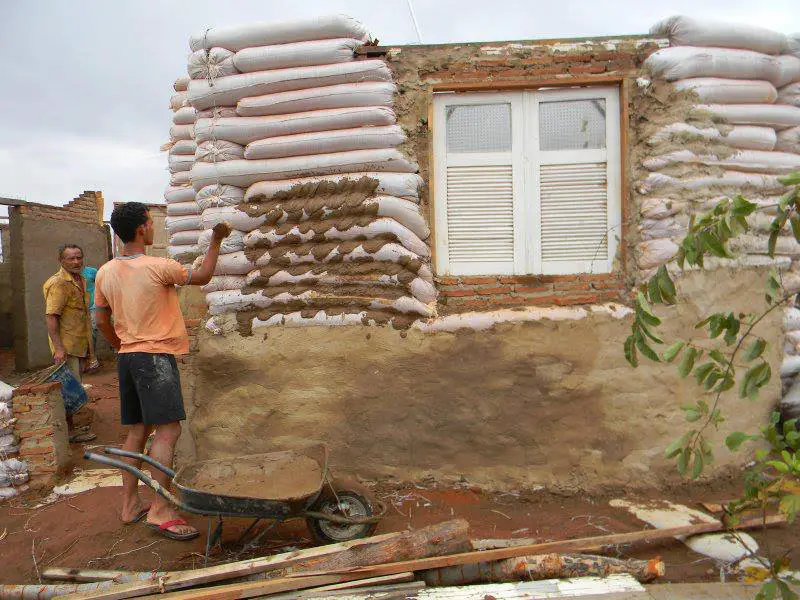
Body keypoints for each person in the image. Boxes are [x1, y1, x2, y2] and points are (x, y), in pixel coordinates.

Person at [95, 202, 229, 540]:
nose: (154, 228)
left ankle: (129, 506)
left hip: (128, 357)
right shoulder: (158, 266)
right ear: (142, 229)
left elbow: (100, 320)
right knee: (168, 432)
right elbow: (203, 277)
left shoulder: (105, 271)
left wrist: (122, 345)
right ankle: (160, 509)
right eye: (151, 223)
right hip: (155, 359)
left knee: (137, 431)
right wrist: (215, 241)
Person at [43, 244, 98, 444]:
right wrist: (58, 348)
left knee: (74, 387)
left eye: (79, 257)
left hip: (79, 343)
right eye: (70, 259)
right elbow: (51, 317)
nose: (76, 262)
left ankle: (71, 427)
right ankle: (69, 431)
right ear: (61, 261)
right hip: (66, 347)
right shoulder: (58, 283)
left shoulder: (81, 280)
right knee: (68, 390)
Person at [81, 264, 101, 371]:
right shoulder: (70, 275)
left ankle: (92, 357)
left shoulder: (92, 272)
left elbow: (101, 284)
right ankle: (84, 359)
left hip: (93, 305)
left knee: (92, 330)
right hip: (79, 307)